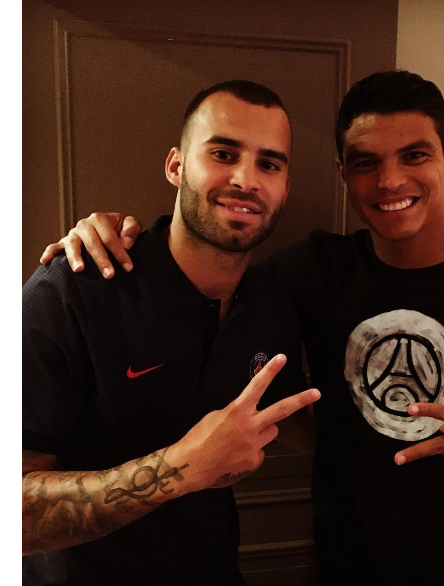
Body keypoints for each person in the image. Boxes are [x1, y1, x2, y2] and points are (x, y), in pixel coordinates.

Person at [38, 70, 444, 585]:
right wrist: (98, 229)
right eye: (365, 163)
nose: (391, 180)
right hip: (347, 568)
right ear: (342, 173)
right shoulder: (306, 274)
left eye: (415, 155)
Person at [22, 79, 322, 586]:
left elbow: (299, 426)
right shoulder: (75, 290)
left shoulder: (272, 308)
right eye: (223, 153)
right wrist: (180, 468)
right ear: (177, 166)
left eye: (269, 164)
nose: (246, 179)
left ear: (285, 188)